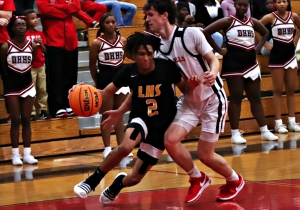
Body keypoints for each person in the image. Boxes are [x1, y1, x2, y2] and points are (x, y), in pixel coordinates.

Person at [73, 32, 200, 203]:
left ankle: (117, 184)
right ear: (133, 54)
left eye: (149, 53)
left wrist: (190, 86)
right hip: (141, 118)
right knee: (125, 147)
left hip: (163, 127)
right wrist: (82, 91)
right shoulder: (128, 71)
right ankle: (91, 181)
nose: (146, 57)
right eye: (141, 54)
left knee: (134, 179)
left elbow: (185, 90)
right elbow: (104, 93)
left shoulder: (167, 67)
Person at [144, 0, 243, 203]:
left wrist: (213, 74)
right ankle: (197, 177)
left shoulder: (191, 34)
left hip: (212, 100)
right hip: (190, 100)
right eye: (146, 16)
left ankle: (234, 180)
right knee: (170, 140)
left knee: (205, 155)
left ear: (164, 15)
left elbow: (213, 59)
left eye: (150, 15)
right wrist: (189, 85)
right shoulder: (160, 49)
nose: (147, 19)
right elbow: (183, 87)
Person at [202, 0, 278, 144]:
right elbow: (206, 31)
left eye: (245, 5)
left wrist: (257, 48)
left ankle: (264, 131)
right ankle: (235, 133)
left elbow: (265, 33)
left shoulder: (252, 22)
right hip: (233, 63)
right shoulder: (228, 21)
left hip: (251, 63)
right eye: (239, 5)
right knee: (236, 97)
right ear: (235, 5)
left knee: (255, 97)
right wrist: (218, 50)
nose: (242, 7)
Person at [89, 12, 131, 158]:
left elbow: (123, 61)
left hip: (121, 81)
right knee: (106, 115)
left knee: (119, 115)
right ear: (102, 25)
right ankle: (107, 147)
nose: (111, 25)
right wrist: (97, 81)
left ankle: (122, 147)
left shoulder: (123, 41)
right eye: (108, 22)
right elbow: (92, 66)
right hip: (104, 80)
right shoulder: (97, 43)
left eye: (113, 22)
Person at [0, 15, 38, 165]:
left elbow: (31, 64)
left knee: (27, 119)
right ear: (13, 28)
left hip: (27, 85)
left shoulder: (32, 46)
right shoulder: (5, 46)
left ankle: (27, 153)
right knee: (15, 120)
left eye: (23, 24)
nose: (22, 27)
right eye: (18, 25)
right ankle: (15, 154)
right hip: (11, 86)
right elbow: (3, 67)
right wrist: (8, 85)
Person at [260, 0, 300, 133]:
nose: (282, 4)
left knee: (290, 90)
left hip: (290, 56)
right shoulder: (270, 17)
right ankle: (278, 123)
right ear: (275, 4)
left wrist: (294, 41)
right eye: (279, 1)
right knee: (277, 90)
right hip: (276, 56)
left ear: (287, 3)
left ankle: (292, 122)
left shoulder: (293, 16)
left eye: (284, 1)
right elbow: (256, 28)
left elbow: (299, 28)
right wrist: (266, 45)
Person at [36, 0, 80, 118]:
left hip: (71, 41)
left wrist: (56, 7)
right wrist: (67, 9)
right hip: (53, 41)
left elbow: (76, 7)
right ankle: (57, 107)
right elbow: (45, 10)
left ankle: (70, 103)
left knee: (71, 76)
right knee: (55, 77)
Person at [23, 9, 52, 121]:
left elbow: (45, 51)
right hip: (30, 67)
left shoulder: (40, 34)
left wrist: (40, 43)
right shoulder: (24, 35)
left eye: (36, 18)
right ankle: (31, 112)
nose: (36, 20)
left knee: (42, 89)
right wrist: (32, 43)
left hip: (41, 65)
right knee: (31, 90)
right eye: (32, 18)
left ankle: (43, 110)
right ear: (26, 21)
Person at [0, 0, 15, 123]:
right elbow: (3, 15)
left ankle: (11, 113)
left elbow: (8, 15)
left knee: (8, 78)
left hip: (3, 42)